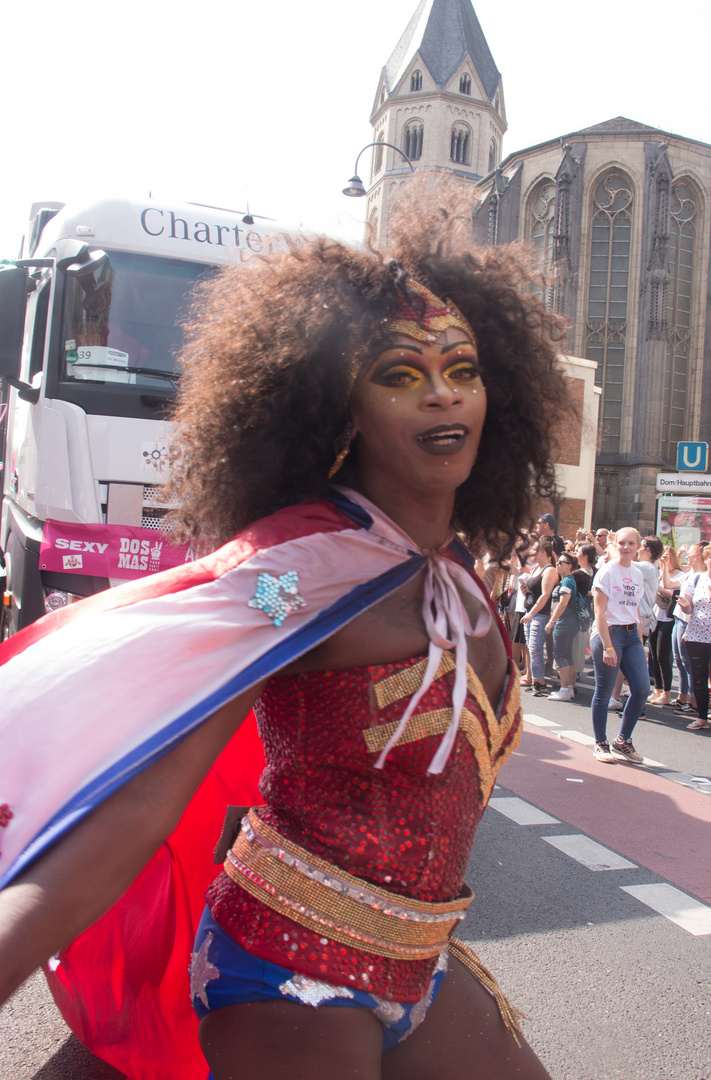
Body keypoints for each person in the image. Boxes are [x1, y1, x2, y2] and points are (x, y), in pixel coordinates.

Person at [0, 182, 567, 1080]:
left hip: (418, 958)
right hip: (286, 965)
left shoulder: (458, 571)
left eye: (462, 371)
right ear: (342, 409)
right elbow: (143, 799)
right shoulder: (297, 578)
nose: (440, 397)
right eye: (399, 375)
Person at [589, 528, 650, 764]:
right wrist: (607, 646)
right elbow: (599, 611)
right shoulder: (607, 572)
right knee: (604, 692)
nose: (626, 547)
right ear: (615, 544)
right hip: (609, 634)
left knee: (642, 689)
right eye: (622, 543)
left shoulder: (637, 573)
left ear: (638, 547)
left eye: (631, 544)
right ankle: (600, 743)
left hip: (631, 634)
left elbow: (635, 610)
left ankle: (623, 741)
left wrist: (641, 643)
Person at [676, 544, 711, 731]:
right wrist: (684, 606)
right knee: (699, 678)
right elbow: (690, 608)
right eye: (710, 557)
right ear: (705, 560)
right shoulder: (696, 579)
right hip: (697, 635)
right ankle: (702, 717)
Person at [648, 540, 684, 706]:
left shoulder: (679, 574)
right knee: (654, 655)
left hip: (668, 618)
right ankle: (658, 689)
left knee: (663, 656)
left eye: (667, 557)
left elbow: (674, 596)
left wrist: (660, 589)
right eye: (662, 557)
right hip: (656, 616)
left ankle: (667, 692)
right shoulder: (658, 572)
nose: (664, 560)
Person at [520, 540, 558, 695]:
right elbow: (534, 593)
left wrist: (532, 613)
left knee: (535, 648)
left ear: (543, 551)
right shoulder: (536, 569)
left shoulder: (549, 570)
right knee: (531, 648)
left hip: (540, 614)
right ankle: (536, 680)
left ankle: (539, 682)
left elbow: (545, 595)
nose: (531, 553)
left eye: (534, 550)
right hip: (531, 612)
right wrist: (525, 591)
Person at [670, 543, 706, 712]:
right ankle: (685, 698)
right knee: (681, 661)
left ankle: (694, 702)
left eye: (689, 554)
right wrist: (685, 606)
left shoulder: (701, 577)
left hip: (693, 626)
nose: (686, 558)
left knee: (691, 665)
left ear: (699, 556)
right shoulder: (692, 575)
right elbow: (669, 584)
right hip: (683, 621)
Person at [545, 552, 580, 701]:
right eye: (557, 562)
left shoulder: (567, 582)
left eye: (561, 562)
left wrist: (552, 621)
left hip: (564, 623)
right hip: (568, 623)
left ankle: (565, 688)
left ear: (570, 566)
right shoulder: (567, 581)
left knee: (560, 655)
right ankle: (569, 688)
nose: (557, 564)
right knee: (566, 655)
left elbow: (563, 603)